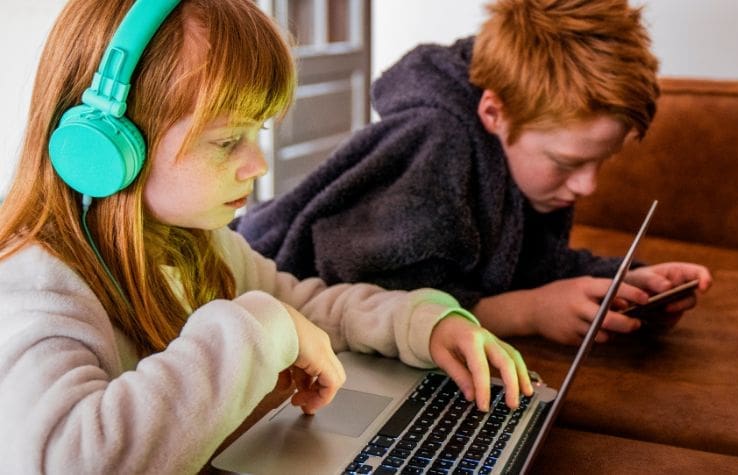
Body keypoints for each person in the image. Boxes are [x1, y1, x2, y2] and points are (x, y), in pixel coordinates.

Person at [0, 0, 534, 472]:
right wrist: (256, 326)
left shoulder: (194, 244)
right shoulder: (38, 286)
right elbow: (63, 460)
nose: (256, 164)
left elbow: (303, 307)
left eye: (257, 133)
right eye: (228, 140)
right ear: (103, 151)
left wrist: (422, 322)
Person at [234, 0, 713, 346]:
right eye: (567, 163)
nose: (589, 185)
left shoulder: (520, 163)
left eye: (601, 161)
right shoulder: (436, 143)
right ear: (494, 112)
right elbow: (373, 296)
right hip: (262, 291)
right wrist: (528, 313)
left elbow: (522, 264)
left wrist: (626, 282)